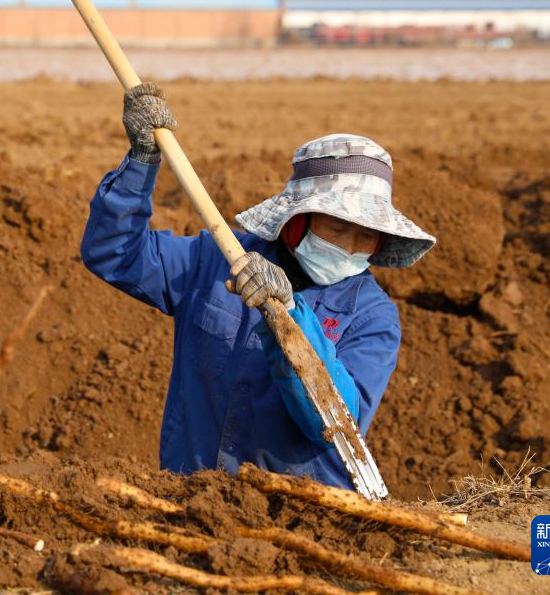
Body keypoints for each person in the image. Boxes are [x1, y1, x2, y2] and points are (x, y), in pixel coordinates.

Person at [81, 83, 436, 488]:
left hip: (299, 517)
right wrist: (142, 162)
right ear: (296, 220)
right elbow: (114, 254)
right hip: (192, 496)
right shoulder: (216, 258)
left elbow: (332, 422)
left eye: (367, 236)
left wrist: (288, 317)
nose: (351, 247)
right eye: (338, 228)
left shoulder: (372, 316)